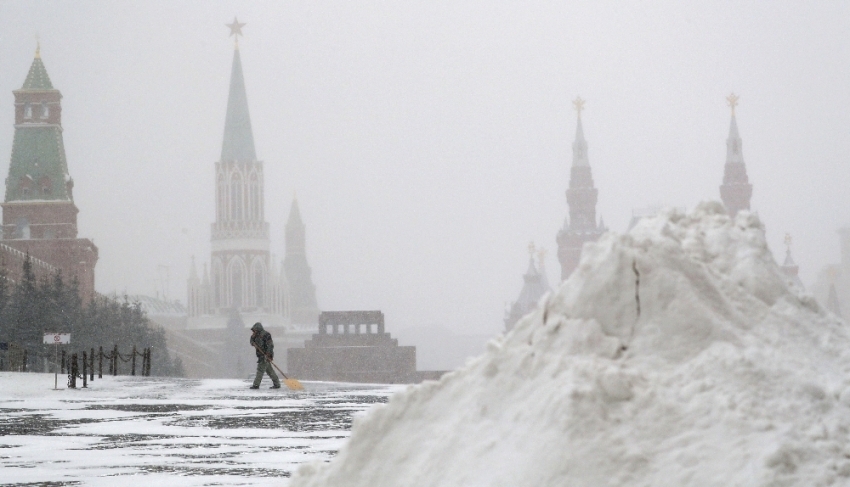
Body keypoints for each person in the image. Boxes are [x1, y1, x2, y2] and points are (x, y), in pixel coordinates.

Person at [249, 322, 281, 389]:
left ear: (258, 329)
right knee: (270, 371)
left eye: (255, 330)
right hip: (260, 355)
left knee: (260, 370)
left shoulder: (266, 335)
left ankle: (256, 385)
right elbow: (251, 342)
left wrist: (268, 354)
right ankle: (277, 384)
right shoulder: (255, 335)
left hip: (265, 356)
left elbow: (270, 345)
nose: (254, 331)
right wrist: (252, 338)